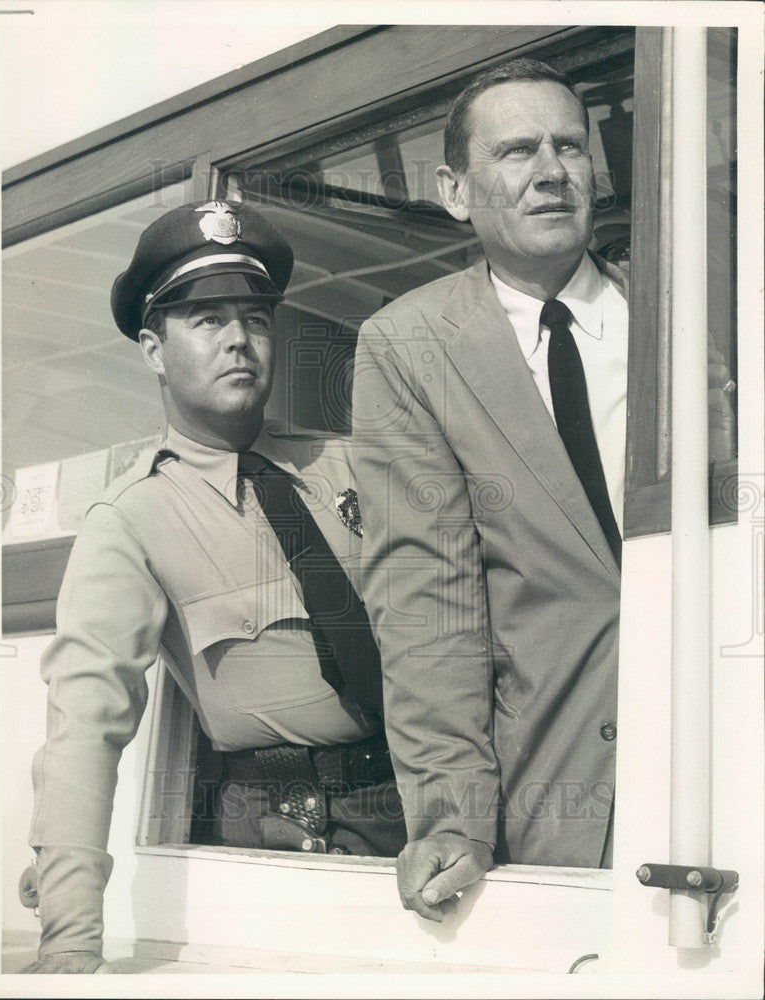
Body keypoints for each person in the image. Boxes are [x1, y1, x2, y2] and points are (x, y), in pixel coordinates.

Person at [24, 199, 406, 973]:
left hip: (415, 810)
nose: (238, 339)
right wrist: (69, 940)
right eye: (206, 319)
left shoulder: (348, 466)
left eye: (255, 319)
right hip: (276, 836)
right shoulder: (130, 518)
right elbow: (84, 730)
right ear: (154, 350)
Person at [351, 57, 627, 921]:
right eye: (517, 152)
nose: (551, 171)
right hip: (569, 796)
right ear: (455, 190)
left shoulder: (684, 312)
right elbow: (428, 603)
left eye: (570, 147)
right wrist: (451, 818)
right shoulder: (409, 348)